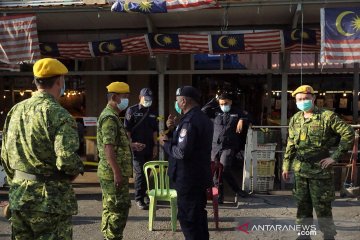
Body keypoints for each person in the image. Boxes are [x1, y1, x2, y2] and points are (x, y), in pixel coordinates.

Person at [0, 58, 84, 239]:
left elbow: (5, 156)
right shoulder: (60, 115)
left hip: (20, 196)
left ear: (36, 81)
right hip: (50, 201)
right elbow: (67, 161)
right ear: (60, 81)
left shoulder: (15, 111)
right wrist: (76, 169)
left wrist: (17, 182)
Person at [282, 85, 354, 240]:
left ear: (313, 98)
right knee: (302, 206)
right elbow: (290, 144)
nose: (303, 102)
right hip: (301, 170)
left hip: (320, 171)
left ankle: (328, 236)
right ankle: (304, 235)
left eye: (306, 99)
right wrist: (286, 165)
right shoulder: (295, 119)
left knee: (322, 207)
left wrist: (335, 156)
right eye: (299, 99)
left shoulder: (327, 116)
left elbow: (348, 133)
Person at [159, 86, 213, 240]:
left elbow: (182, 152)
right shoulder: (200, 118)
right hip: (198, 177)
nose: (176, 104)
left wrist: (166, 143)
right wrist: (176, 127)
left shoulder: (189, 122)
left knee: (188, 220)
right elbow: (193, 143)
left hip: (188, 178)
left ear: (183, 101)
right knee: (198, 217)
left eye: (177, 100)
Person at [97, 81, 144, 240]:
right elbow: (108, 148)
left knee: (110, 208)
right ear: (115, 97)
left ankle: (108, 236)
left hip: (112, 173)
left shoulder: (113, 116)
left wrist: (131, 145)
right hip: (113, 174)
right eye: (125, 97)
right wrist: (117, 173)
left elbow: (115, 143)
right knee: (118, 209)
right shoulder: (109, 118)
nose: (127, 100)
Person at [202, 92, 249, 204]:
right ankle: (218, 195)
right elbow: (203, 111)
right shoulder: (215, 111)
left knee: (224, 168)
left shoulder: (237, 112)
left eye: (226, 103)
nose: (224, 105)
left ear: (231, 102)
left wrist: (242, 119)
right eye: (222, 103)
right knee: (215, 172)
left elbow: (249, 116)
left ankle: (236, 190)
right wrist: (214, 99)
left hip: (228, 146)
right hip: (215, 146)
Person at [124, 88, 158, 210]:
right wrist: (131, 144)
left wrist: (155, 146)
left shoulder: (153, 111)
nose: (148, 101)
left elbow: (155, 131)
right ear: (140, 97)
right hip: (136, 148)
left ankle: (145, 195)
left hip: (149, 147)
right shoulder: (131, 110)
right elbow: (127, 131)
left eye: (150, 99)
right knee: (139, 174)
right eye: (146, 99)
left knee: (148, 173)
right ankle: (138, 198)